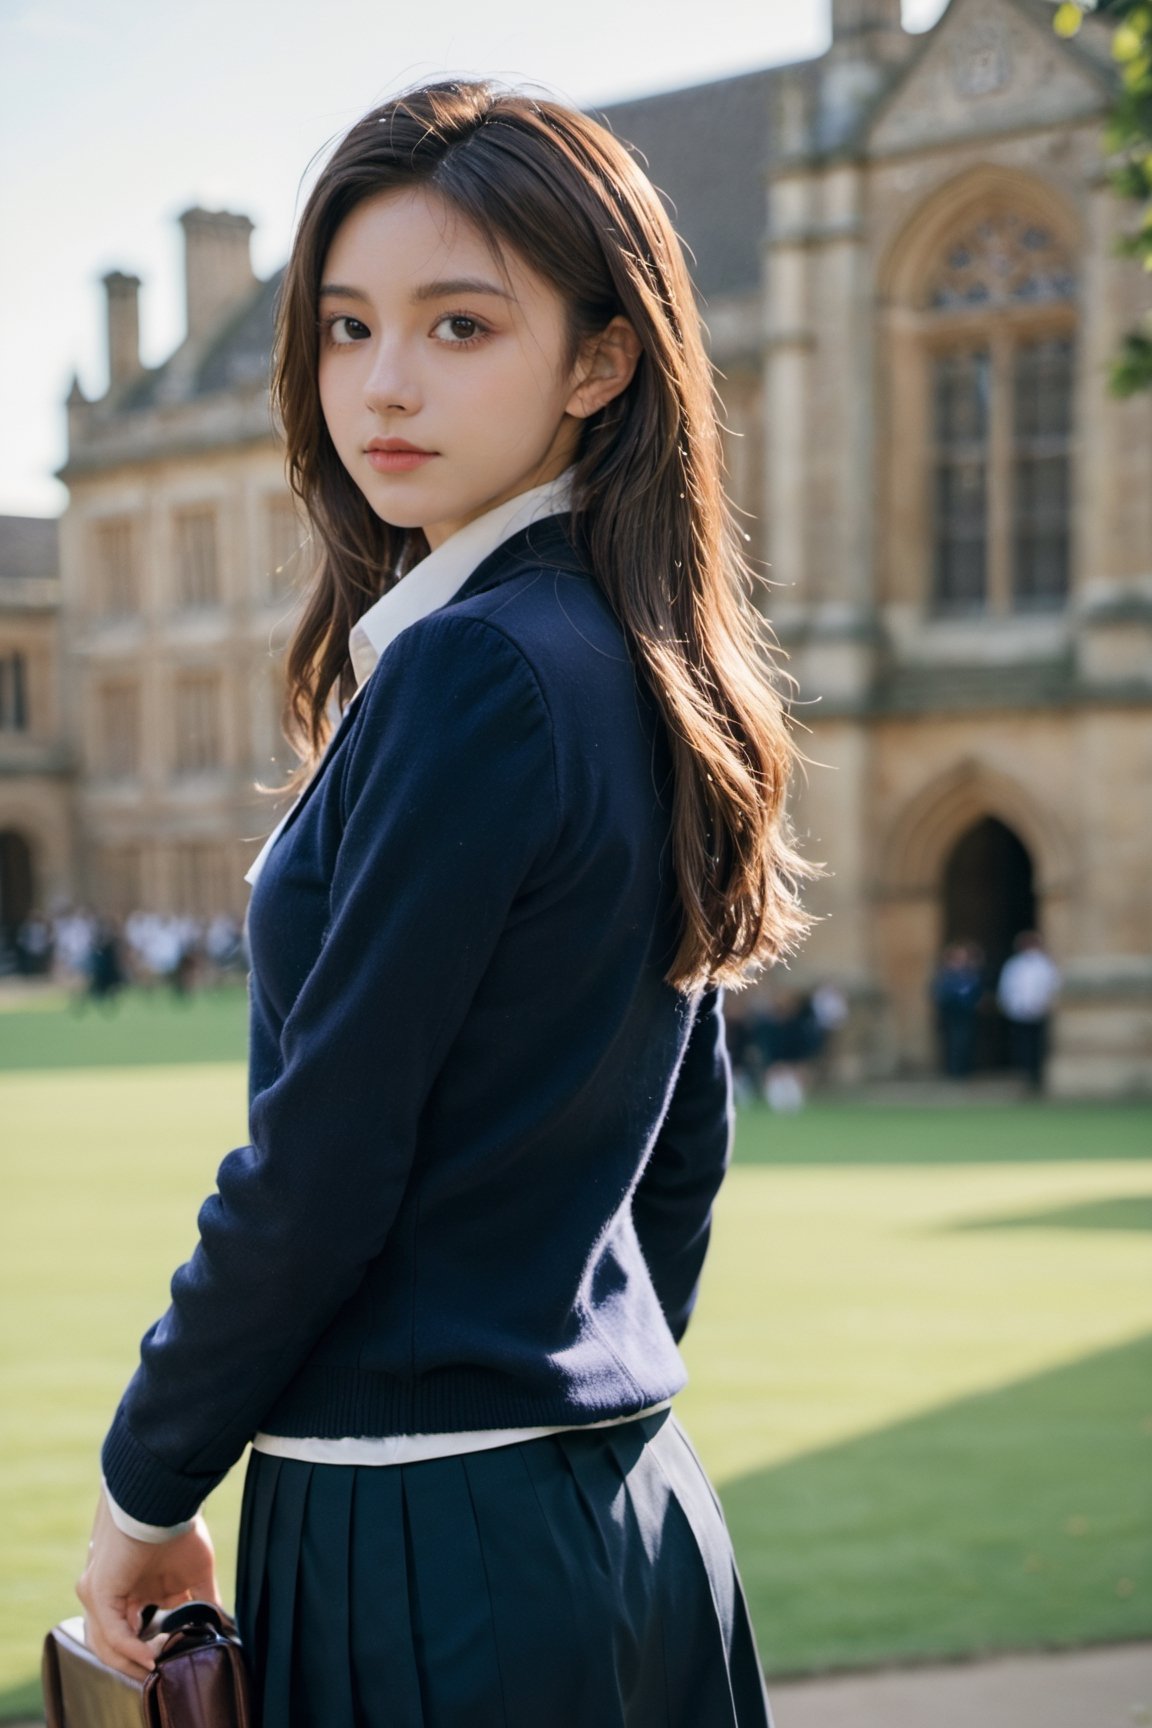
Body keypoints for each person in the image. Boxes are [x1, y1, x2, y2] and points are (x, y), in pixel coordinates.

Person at [77, 81, 819, 1727]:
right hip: (624, 1508)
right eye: (345, 327)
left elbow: (321, 1159)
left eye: (458, 323)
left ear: (599, 357)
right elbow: (682, 1146)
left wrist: (146, 1484)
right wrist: (555, 1380)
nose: (382, 382)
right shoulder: (642, 663)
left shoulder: (471, 673)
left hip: (422, 1533)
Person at [997, 930, 1061, 1093]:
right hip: (1019, 1013)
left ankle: (1037, 1077)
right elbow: (1007, 987)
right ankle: (1024, 1075)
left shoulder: (1045, 964)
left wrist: (1044, 1004)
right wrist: (1011, 1006)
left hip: (1040, 1012)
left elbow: (1052, 987)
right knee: (1022, 1045)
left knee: (1038, 1045)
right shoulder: (1014, 964)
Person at [929, 941, 984, 1079]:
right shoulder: (945, 975)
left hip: (966, 1014)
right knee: (953, 1042)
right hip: (951, 1013)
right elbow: (939, 994)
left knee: (965, 1041)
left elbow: (976, 992)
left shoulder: (970, 974)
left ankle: (964, 1070)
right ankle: (954, 1070)